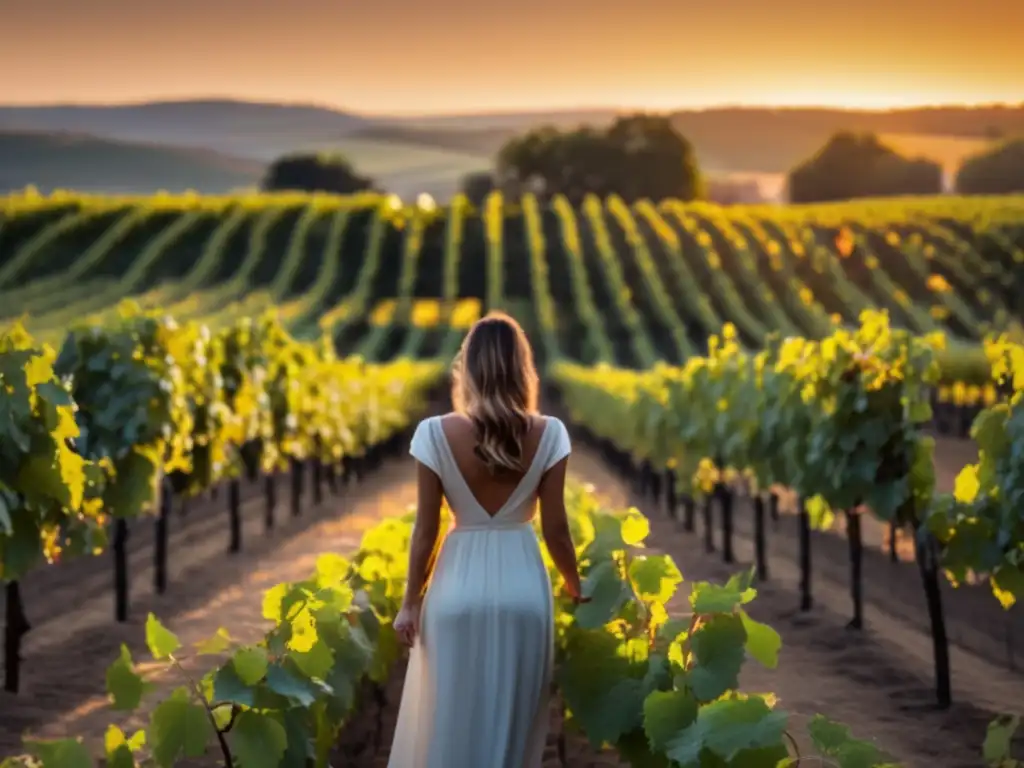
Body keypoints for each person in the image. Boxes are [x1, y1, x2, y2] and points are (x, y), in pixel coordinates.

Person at [387, 311, 588, 768]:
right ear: (523, 368)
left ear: (469, 368)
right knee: (513, 732)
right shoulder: (550, 433)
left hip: (454, 591)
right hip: (524, 591)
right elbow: (556, 530)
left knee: (450, 727)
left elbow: (426, 529)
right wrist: (577, 586)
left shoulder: (434, 433)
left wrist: (409, 602)